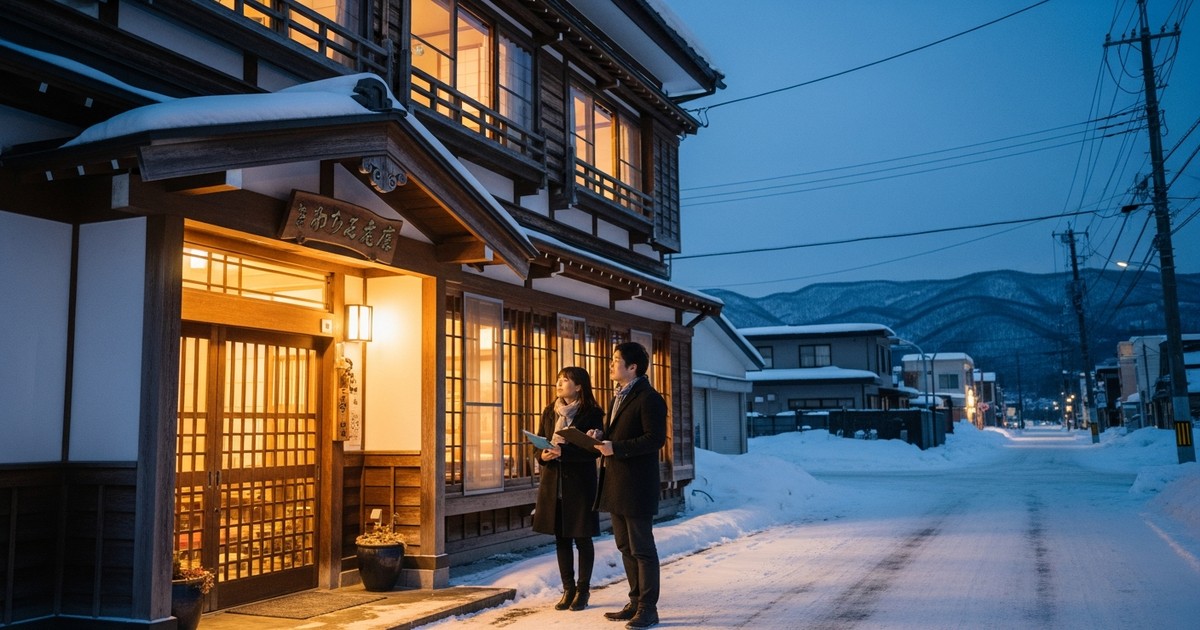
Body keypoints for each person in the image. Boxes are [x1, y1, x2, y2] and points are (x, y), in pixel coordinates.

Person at [590, 342, 667, 629]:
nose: (611, 365)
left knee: (642, 548)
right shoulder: (617, 398)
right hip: (615, 483)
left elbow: (654, 439)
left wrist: (616, 447)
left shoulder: (649, 398)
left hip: (636, 485)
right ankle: (635, 602)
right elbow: (618, 434)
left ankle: (648, 608)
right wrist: (600, 435)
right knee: (624, 546)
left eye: (616, 360)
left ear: (632, 367)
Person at [532, 366, 604, 611]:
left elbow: (592, 449)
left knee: (582, 538)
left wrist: (565, 452)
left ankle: (583, 591)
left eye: (566, 380)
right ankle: (568, 589)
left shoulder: (592, 413)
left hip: (580, 483)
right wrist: (542, 454)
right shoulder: (549, 411)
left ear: (579, 386)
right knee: (561, 538)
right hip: (553, 483)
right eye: (558, 379)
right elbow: (539, 442)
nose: (559, 383)